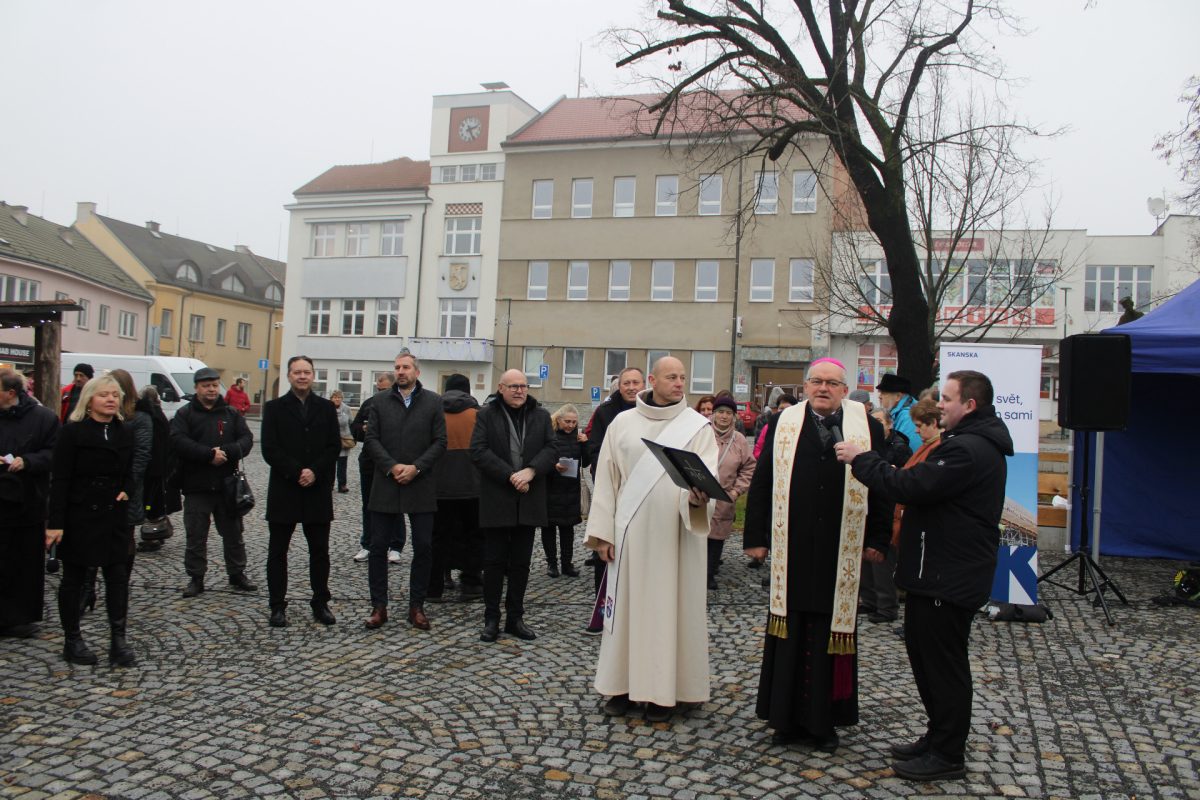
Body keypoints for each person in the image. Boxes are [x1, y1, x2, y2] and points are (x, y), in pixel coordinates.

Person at [837, 371, 1011, 782]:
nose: (939, 406)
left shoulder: (968, 450)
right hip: (933, 572)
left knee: (943, 668)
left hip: (947, 577)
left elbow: (910, 485)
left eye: (947, 399)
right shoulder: (963, 444)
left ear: (969, 405)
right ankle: (936, 737)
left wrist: (861, 459)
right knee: (925, 660)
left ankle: (948, 753)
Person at [742, 357, 890, 752]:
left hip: (838, 548)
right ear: (806, 387)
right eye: (816, 382)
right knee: (788, 629)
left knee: (829, 633)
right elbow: (763, 481)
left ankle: (824, 722)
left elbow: (882, 484)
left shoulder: (869, 427)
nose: (823, 388)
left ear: (845, 390)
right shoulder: (782, 424)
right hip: (791, 544)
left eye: (832, 383)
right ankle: (784, 720)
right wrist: (755, 537)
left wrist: (877, 538)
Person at [587, 356, 717, 723]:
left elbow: (704, 476)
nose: (679, 383)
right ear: (652, 380)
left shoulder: (697, 427)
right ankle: (621, 687)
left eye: (683, 377)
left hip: (676, 537)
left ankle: (668, 692)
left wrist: (696, 498)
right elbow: (607, 480)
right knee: (627, 611)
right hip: (629, 536)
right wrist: (602, 533)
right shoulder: (622, 423)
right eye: (671, 377)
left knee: (669, 612)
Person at [45, 375, 136, 666]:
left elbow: (132, 470)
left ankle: (118, 640)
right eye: (103, 395)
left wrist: (128, 490)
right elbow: (59, 479)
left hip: (113, 515)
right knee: (74, 579)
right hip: (81, 514)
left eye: (114, 395)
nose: (110, 400)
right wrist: (55, 523)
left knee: (118, 577)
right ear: (90, 400)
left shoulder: (124, 431)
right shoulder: (73, 433)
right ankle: (72, 639)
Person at [469, 368, 557, 643]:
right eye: (513, 386)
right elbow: (478, 451)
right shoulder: (486, 414)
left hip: (529, 498)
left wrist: (530, 471)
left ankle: (515, 617)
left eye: (523, 385)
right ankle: (491, 618)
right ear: (501, 388)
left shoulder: (541, 415)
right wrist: (510, 475)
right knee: (494, 562)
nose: (520, 390)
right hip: (498, 497)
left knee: (521, 563)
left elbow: (552, 449)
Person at [362, 352, 446, 631]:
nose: (401, 371)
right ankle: (379, 606)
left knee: (423, 546)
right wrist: (392, 466)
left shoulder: (433, 402)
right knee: (378, 547)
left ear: (417, 372)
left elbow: (440, 442)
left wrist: (416, 468)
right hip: (386, 482)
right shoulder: (379, 401)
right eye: (397, 367)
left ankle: (417, 605)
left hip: (420, 483)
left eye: (406, 367)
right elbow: (371, 439)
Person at [261, 356, 341, 628]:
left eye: (307, 372)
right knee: (278, 551)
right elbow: (269, 449)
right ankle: (277, 605)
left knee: (320, 551)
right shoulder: (274, 408)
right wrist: (296, 471)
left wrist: (314, 471)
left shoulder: (327, 408)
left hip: (316, 489)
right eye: (298, 372)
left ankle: (320, 601)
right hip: (285, 488)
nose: (303, 376)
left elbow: (333, 446)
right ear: (289, 375)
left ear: (313, 375)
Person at [170, 367, 256, 598]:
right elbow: (178, 441)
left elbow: (246, 439)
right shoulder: (185, 414)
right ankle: (196, 577)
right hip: (196, 485)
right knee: (196, 535)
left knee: (234, 533)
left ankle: (237, 573)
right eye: (206, 385)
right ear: (197, 388)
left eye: (214, 385)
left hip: (227, 484)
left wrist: (226, 452)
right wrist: (208, 454)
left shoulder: (231, 413)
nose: (211, 389)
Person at [583, 367, 644, 633]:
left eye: (636, 382)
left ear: (645, 384)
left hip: (644, 490)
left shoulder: (653, 409)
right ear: (619, 386)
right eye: (626, 383)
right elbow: (594, 448)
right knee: (606, 545)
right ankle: (603, 608)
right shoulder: (605, 412)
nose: (631, 387)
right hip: (612, 488)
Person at [0, 369, 59, 638]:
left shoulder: (43, 418)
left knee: (24, 563)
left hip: (28, 501)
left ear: (10, 393)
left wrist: (28, 461)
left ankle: (20, 617)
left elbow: (55, 453)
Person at [856, 408, 911, 624]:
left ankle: (887, 606)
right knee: (864, 560)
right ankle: (869, 600)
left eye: (880, 421)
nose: (876, 425)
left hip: (890, 507)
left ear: (889, 424)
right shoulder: (865, 441)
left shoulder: (899, 448)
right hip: (866, 503)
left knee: (882, 563)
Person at [431, 373, 483, 602]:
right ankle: (470, 583)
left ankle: (436, 584)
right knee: (474, 536)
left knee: (438, 536)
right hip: (473, 486)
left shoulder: (434, 413)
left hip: (439, 487)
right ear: (468, 390)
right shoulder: (478, 415)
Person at [350, 372, 404, 563]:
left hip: (392, 462)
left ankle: (396, 546)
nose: (380, 392)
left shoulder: (400, 404)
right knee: (368, 505)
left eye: (384, 389)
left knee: (395, 506)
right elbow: (354, 428)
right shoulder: (370, 403)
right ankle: (367, 544)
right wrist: (362, 430)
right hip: (369, 462)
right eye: (378, 389)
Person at [707, 395, 756, 590]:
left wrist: (736, 491)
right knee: (696, 536)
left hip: (724, 496)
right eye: (720, 412)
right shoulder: (702, 434)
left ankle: (709, 574)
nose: (724, 416)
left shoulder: (740, 440)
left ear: (734, 417)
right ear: (714, 414)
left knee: (716, 538)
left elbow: (748, 468)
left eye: (728, 413)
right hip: (700, 495)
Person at [542, 404, 590, 578]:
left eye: (573, 422)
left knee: (567, 529)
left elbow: (586, 462)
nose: (570, 425)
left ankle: (567, 564)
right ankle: (552, 564)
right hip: (551, 487)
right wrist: (553, 466)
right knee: (549, 528)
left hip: (570, 489)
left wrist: (585, 444)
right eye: (567, 421)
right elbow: (540, 459)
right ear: (559, 420)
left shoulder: (578, 436)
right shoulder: (549, 435)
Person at [135, 385, 177, 553]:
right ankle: (156, 534)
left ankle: (153, 535)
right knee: (155, 503)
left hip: (152, 468)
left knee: (151, 505)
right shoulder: (159, 415)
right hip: (159, 468)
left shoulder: (151, 417)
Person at [877, 373, 920, 451]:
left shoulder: (907, 416)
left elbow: (907, 450)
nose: (879, 396)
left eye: (884, 393)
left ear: (898, 396)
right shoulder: (901, 413)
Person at [753, 393, 797, 460]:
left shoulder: (800, 427)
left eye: (788, 408)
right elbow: (758, 448)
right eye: (781, 408)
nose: (784, 411)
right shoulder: (768, 427)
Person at [331, 390, 352, 493]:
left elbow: (351, 422)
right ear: (331, 398)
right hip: (330, 441)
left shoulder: (347, 409)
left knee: (342, 464)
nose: (337, 399)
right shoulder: (327, 408)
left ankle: (342, 485)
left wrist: (352, 437)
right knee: (330, 464)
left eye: (339, 397)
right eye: (335, 397)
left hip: (344, 441)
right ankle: (329, 484)